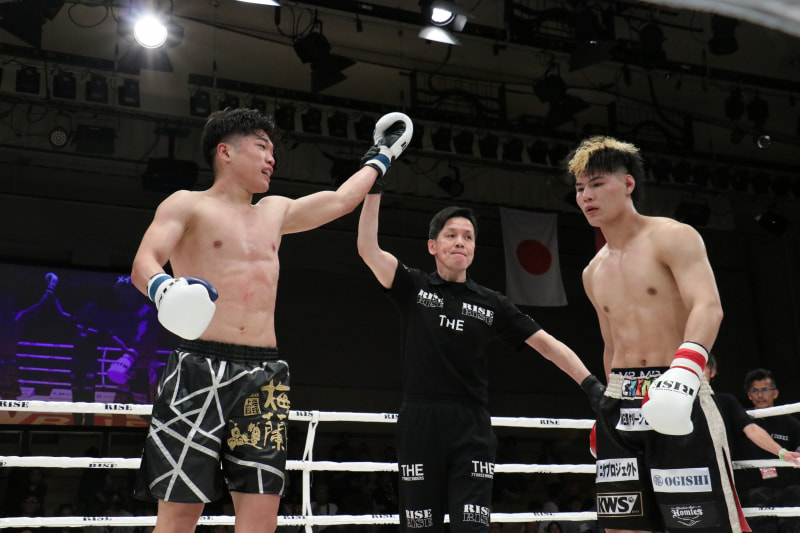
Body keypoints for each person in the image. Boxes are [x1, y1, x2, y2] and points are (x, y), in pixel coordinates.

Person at [130, 107, 413, 533]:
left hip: (263, 373)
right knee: (179, 516)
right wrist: (164, 289)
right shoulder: (187, 204)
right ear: (225, 152)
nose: (271, 158)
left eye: (272, 151)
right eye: (262, 147)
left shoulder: (275, 211)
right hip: (198, 367)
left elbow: (341, 200)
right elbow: (143, 263)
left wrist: (382, 156)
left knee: (262, 518)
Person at [357, 197, 602, 533]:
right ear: (432, 245)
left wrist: (591, 385)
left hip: (470, 425)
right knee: (419, 527)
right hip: (419, 422)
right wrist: (374, 188)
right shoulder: (413, 286)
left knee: (472, 527)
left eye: (468, 236)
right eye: (451, 235)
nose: (460, 241)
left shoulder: (491, 303)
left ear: (474, 249)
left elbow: (547, 345)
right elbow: (368, 249)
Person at [566, 135, 748, 532]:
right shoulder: (592, 272)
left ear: (627, 184)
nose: (586, 196)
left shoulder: (672, 236)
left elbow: (708, 306)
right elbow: (611, 345)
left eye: (596, 183)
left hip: (677, 387)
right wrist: (607, 406)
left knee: (699, 525)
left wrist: (684, 372)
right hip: (621, 401)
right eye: (579, 188)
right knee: (623, 527)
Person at [735, 369, 800, 533]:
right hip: (755, 491)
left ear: (775, 393)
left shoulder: (790, 422)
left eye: (765, 390)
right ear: (749, 395)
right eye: (755, 391)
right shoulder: (742, 423)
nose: (760, 395)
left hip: (789, 489)